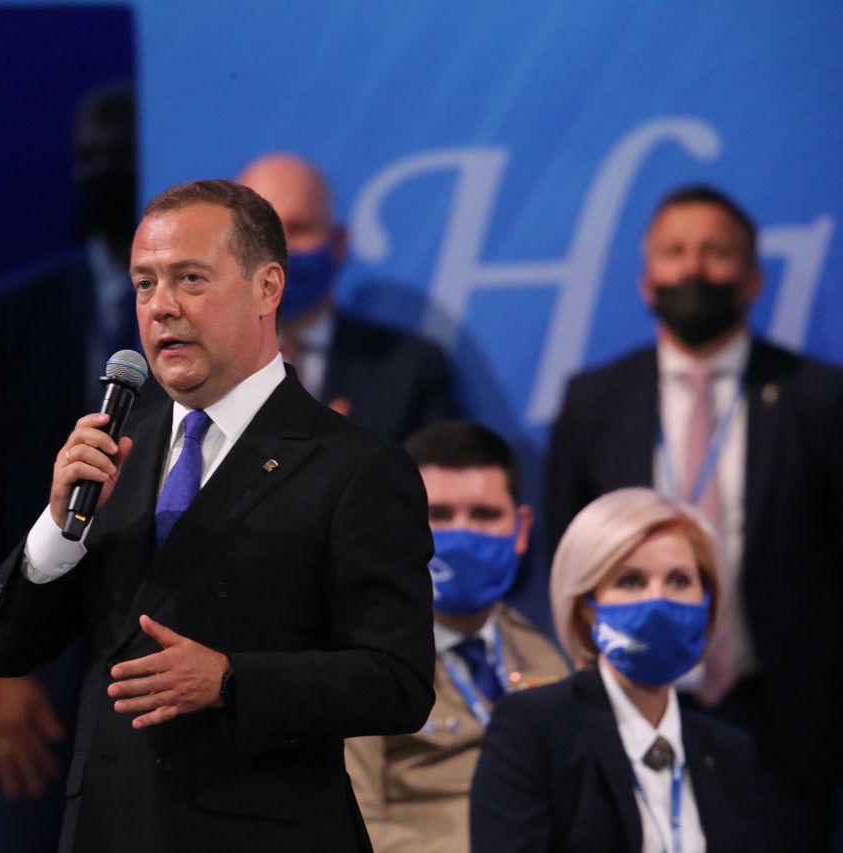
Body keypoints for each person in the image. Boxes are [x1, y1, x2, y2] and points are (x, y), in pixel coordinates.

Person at [0, 179, 435, 853]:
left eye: (190, 278)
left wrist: (229, 679)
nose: (161, 307)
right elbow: (4, 645)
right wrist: (56, 528)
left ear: (267, 287)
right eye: (144, 283)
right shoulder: (115, 452)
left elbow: (397, 680)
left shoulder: (353, 467)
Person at [546, 184, 843, 845]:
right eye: (674, 251)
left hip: (784, 728)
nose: (694, 268)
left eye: (716, 252)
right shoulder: (594, 400)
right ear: (647, 277)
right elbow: (566, 562)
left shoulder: (819, 398)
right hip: (626, 710)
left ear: (753, 277)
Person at [0, 80, 148, 850]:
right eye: (86, 158)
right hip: (36, 659)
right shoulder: (17, 312)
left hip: (151, 644)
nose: (99, 173)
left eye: (119, 157)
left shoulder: (204, 318)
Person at [471, 488, 756, 852]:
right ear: (586, 606)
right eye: (630, 581)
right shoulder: (534, 729)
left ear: (708, 600)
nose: (657, 600)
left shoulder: (727, 751)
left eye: (679, 581)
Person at [345, 420, 568, 852]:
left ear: (521, 530)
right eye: (438, 515)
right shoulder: (361, 658)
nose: (462, 534)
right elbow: (352, 824)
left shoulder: (546, 656)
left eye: (484, 515)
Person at [236, 152, 456, 441]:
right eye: (262, 232)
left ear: (338, 243)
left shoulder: (409, 368)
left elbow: (436, 481)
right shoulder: (192, 365)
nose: (281, 249)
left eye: (299, 229)